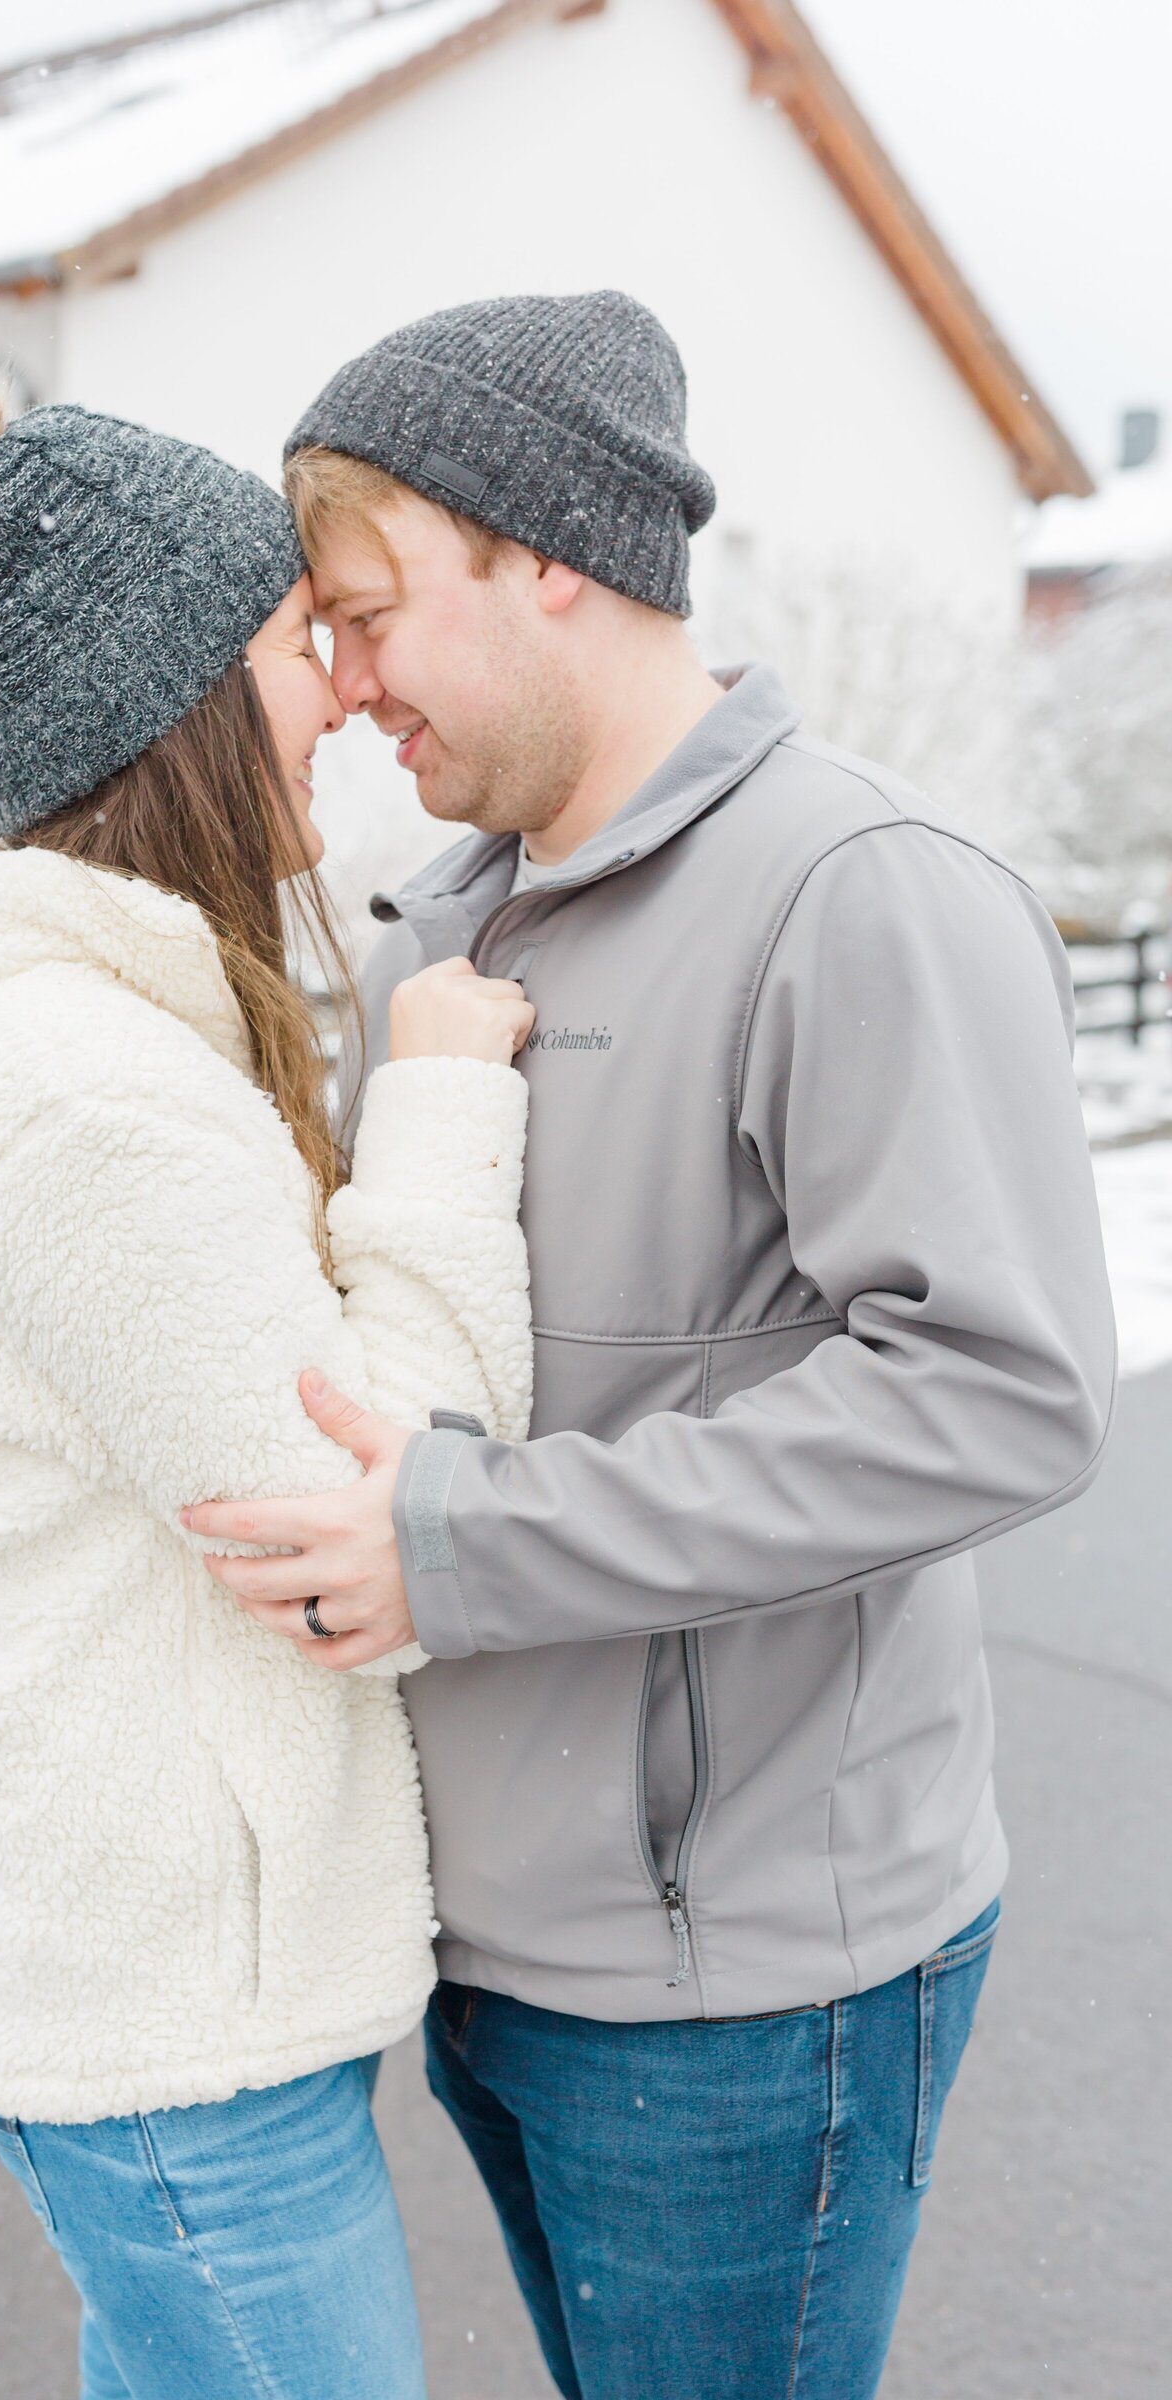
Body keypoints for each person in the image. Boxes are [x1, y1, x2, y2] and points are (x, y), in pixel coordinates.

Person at [185, 290, 1120, 2400]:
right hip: (486, 1950)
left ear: (553, 558)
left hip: (746, 1991)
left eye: (362, 613)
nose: (334, 685)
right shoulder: (446, 920)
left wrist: (465, 1545)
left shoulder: (857, 894)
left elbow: (999, 1392)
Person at [0, 342, 538, 2400]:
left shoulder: (126, 1036)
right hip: (164, 2036)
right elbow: (372, 1519)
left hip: (173, 2003)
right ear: (178, 696)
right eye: (297, 639)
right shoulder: (88, 1107)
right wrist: (441, 1111)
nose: (341, 686)